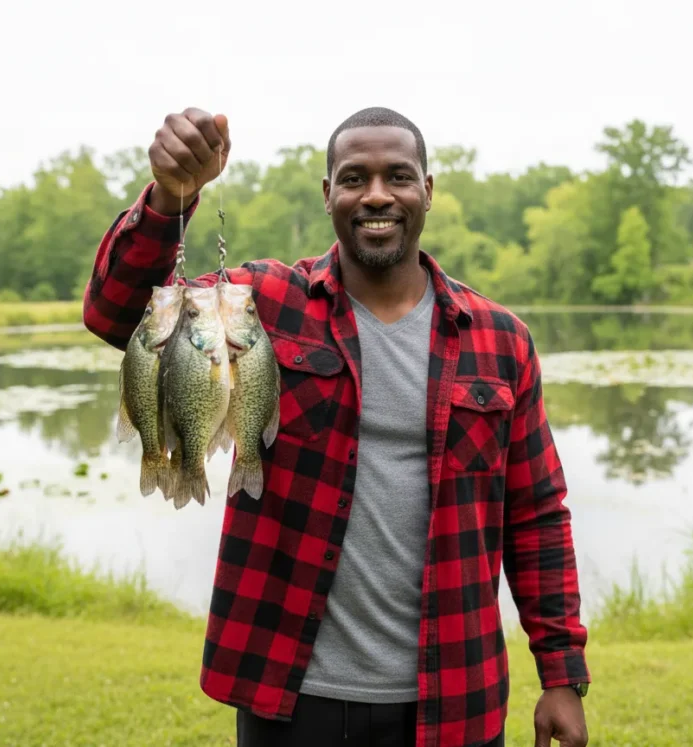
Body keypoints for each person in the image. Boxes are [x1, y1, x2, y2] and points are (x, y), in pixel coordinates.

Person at [83, 106, 590, 747]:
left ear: (427, 191)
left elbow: (537, 515)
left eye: (398, 177)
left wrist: (561, 674)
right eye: (354, 178)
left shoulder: (501, 340)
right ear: (329, 196)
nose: (376, 195)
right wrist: (168, 198)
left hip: (454, 697)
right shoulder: (260, 302)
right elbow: (117, 312)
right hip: (292, 696)